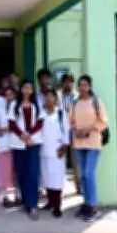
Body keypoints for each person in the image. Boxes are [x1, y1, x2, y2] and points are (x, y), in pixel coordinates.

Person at [70, 75, 109, 222]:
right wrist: (76, 130)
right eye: (80, 85)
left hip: (93, 143)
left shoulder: (96, 101)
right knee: (84, 175)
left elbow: (104, 121)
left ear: (90, 87)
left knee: (89, 173)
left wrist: (89, 129)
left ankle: (93, 207)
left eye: (85, 85)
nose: (82, 88)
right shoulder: (74, 103)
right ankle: (86, 204)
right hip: (79, 143)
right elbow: (71, 121)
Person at [8, 80, 44, 221]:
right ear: (21, 89)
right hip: (19, 141)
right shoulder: (14, 104)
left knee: (33, 173)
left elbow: (40, 122)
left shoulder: (37, 103)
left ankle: (33, 205)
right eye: (25, 87)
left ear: (33, 90)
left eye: (30, 88)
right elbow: (12, 123)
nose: (28, 90)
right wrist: (22, 135)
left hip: (33, 141)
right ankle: (26, 200)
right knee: (22, 172)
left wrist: (29, 134)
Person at [41, 89, 71, 218]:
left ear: (56, 99)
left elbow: (66, 131)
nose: (49, 99)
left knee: (57, 178)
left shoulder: (61, 113)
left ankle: (57, 206)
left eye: (51, 96)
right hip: (44, 150)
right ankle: (50, 202)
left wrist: (64, 147)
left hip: (57, 150)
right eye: (46, 96)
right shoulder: (41, 113)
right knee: (46, 177)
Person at [57, 72, 80, 194]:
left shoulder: (77, 96)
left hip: (74, 130)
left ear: (72, 82)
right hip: (61, 130)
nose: (67, 84)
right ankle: (58, 187)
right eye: (65, 81)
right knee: (60, 159)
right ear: (62, 83)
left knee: (76, 160)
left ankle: (79, 187)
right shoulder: (58, 95)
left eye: (69, 81)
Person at [0, 86, 18, 205]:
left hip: (16, 144)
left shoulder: (19, 108)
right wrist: (6, 129)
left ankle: (18, 195)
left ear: (15, 95)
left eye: (11, 95)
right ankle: (4, 197)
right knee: (3, 172)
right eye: (7, 95)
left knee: (16, 171)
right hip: (3, 144)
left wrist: (10, 129)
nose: (9, 97)